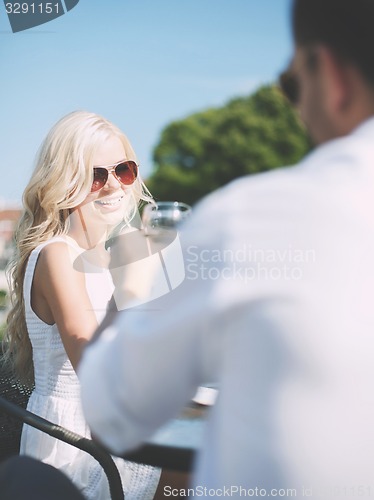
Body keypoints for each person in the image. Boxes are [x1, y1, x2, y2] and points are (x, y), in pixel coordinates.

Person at [79, 0, 374, 497]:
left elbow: (114, 410)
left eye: (292, 84)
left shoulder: (250, 219)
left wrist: (133, 295)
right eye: (96, 174)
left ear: (331, 76)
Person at [2, 111, 162, 499]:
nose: (112, 187)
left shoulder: (106, 260)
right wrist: (135, 288)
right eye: (95, 175)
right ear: (64, 182)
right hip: (74, 441)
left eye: (123, 170)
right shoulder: (56, 254)